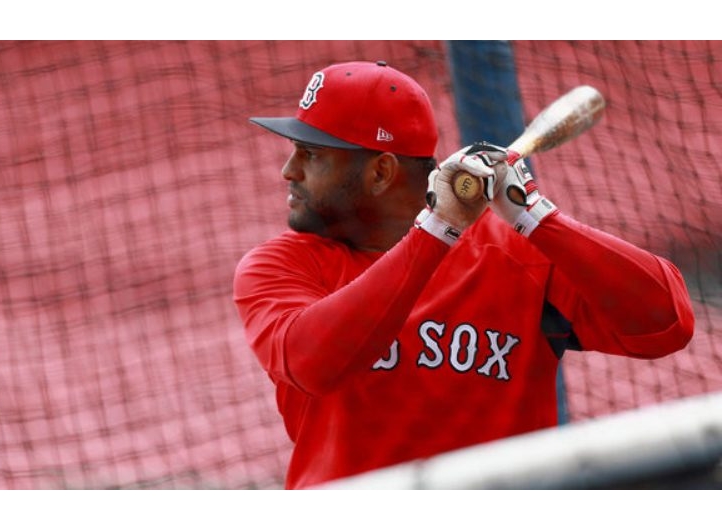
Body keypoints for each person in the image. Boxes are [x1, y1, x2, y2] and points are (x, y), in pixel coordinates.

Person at [233, 60, 695, 489]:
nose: (287, 171)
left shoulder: (515, 255)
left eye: (310, 155)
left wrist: (538, 219)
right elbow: (313, 362)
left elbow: (667, 324)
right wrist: (436, 230)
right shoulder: (281, 266)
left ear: (381, 173)